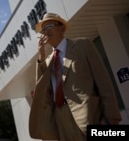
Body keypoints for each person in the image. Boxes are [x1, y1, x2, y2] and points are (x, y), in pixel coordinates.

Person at [29, 13, 121, 141]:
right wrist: (41, 55)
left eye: (49, 26)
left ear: (62, 28)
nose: (45, 31)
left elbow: (103, 82)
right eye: (43, 29)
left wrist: (112, 119)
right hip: (61, 121)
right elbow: (42, 90)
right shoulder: (48, 61)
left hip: (88, 115)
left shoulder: (83, 45)